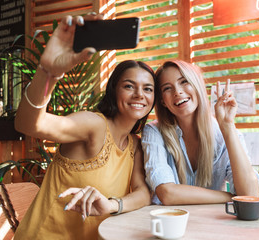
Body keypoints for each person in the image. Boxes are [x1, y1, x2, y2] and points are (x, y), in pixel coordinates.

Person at [14, 14, 155, 239]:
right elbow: (29, 124)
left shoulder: (134, 144)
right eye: (129, 86)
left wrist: (111, 206)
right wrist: (48, 72)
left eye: (148, 89)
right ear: (113, 91)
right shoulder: (94, 124)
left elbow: (142, 193)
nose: (139, 94)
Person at [141, 60, 259, 205]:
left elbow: (250, 194)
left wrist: (228, 127)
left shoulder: (224, 134)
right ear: (162, 101)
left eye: (184, 82)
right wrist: (232, 198)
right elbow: (167, 194)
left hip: (210, 224)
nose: (177, 91)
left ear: (197, 86)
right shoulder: (154, 133)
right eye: (167, 88)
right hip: (168, 224)